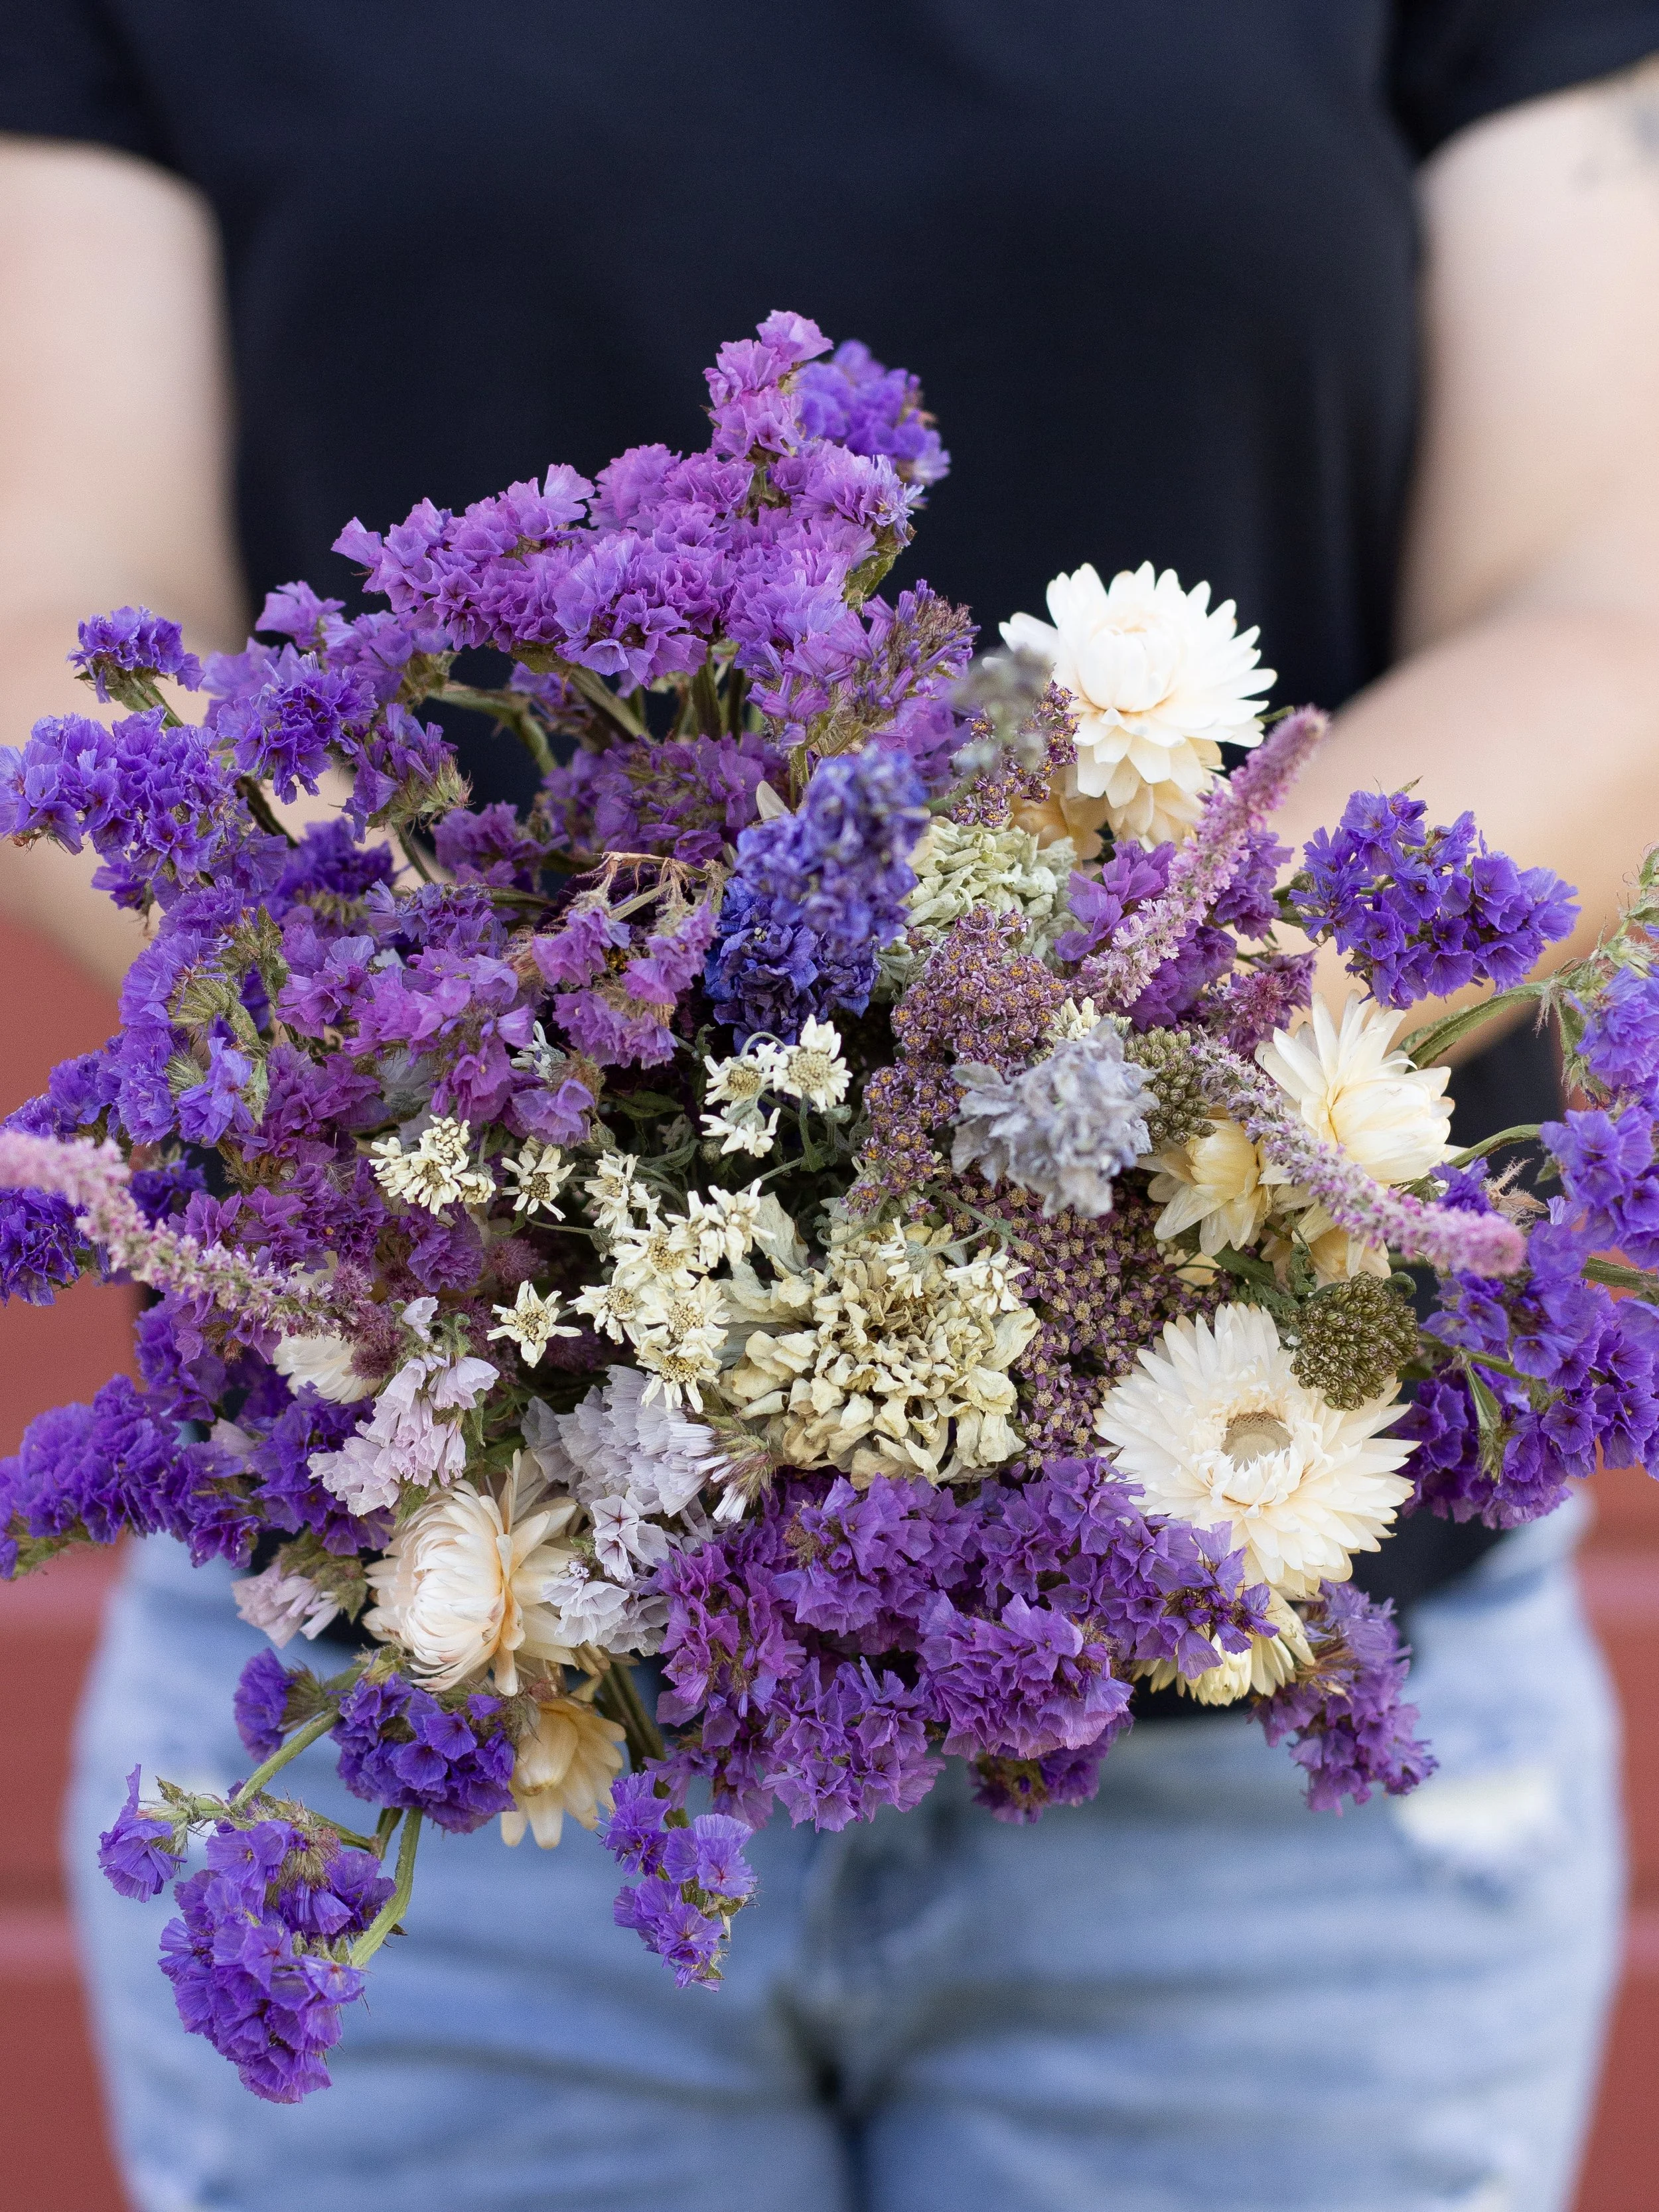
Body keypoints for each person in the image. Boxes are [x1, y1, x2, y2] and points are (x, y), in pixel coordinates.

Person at [2, 7, 1658, 2208]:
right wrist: (540, 1076)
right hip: (455, 1647)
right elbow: (61, 625)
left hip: (1253, 1777)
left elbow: (1604, 602)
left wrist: (1056, 1048)